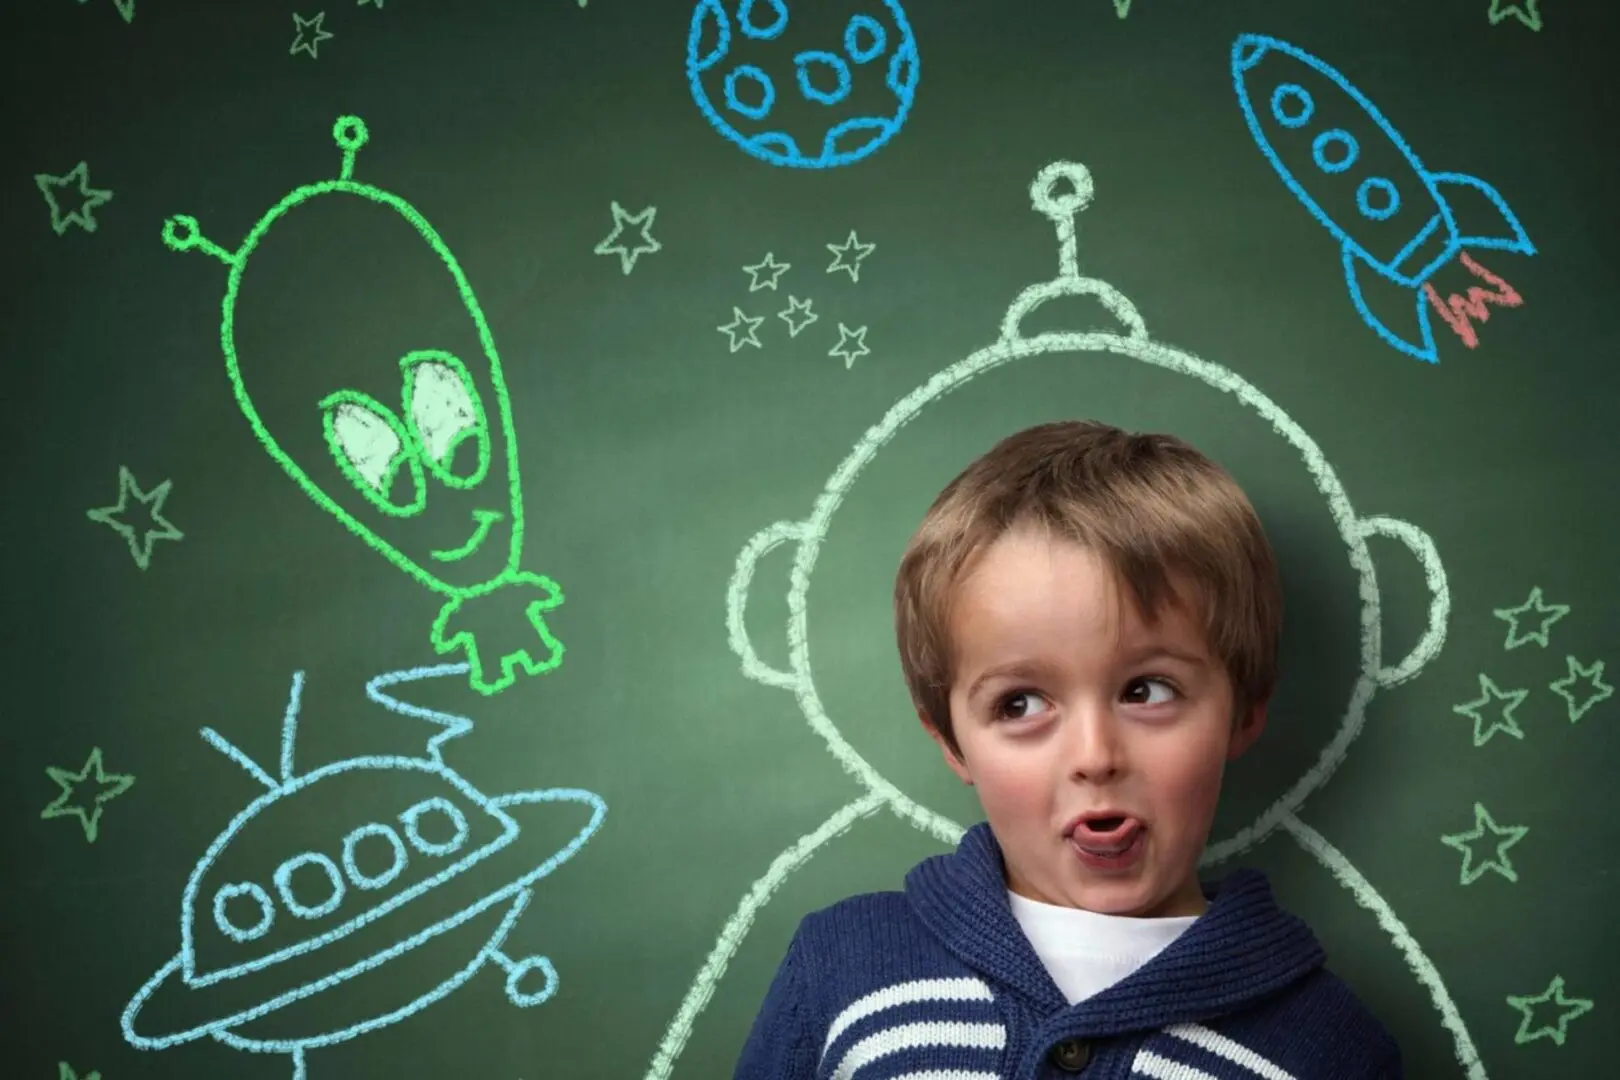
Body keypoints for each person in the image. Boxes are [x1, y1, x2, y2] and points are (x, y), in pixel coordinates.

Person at [733, 419, 1402, 1079]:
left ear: (1245, 708)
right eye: (1019, 704)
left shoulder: (1330, 1049)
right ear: (951, 741)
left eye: (1147, 690)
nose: (1095, 755)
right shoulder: (841, 969)